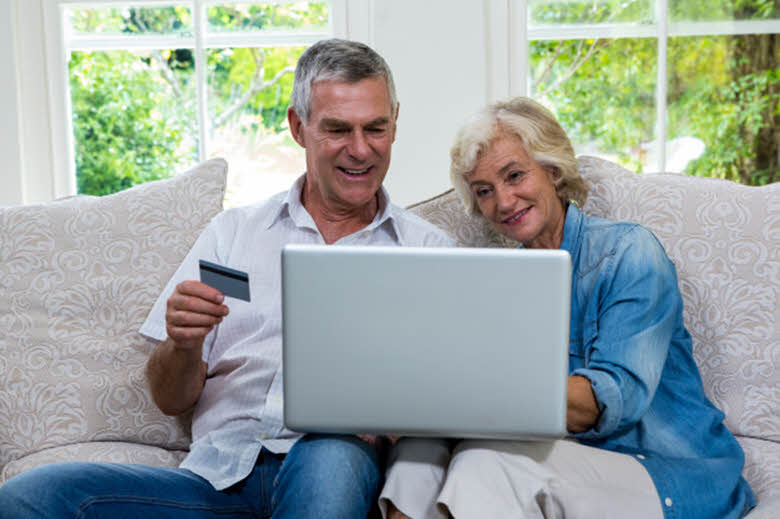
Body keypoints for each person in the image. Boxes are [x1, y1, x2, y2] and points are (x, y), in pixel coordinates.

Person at [0, 38, 452, 519]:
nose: (360, 150)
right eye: (338, 129)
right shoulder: (234, 233)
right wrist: (183, 343)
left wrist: (394, 417)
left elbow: (455, 400)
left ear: (395, 122)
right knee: (30, 497)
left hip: (332, 466)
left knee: (332, 453)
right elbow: (170, 397)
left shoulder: (429, 252)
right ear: (298, 127)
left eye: (375, 128)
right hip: (217, 479)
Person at [379, 97, 756, 519]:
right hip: (565, 458)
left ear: (552, 169)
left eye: (515, 175)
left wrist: (467, 396)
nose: (503, 202)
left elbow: (613, 400)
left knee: (484, 461)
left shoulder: (629, 252)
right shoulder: (499, 282)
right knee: (418, 451)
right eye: (485, 191)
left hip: (668, 468)